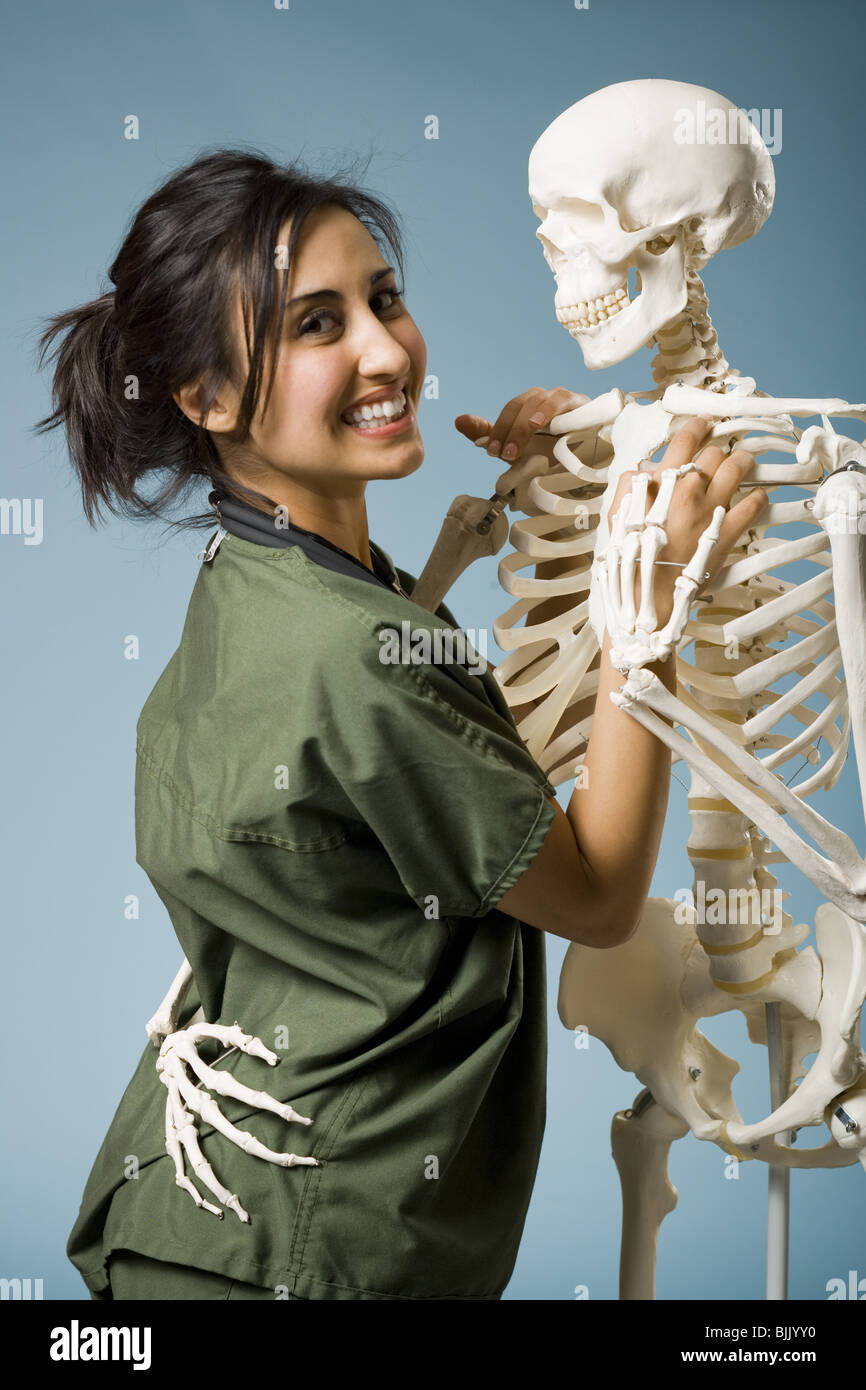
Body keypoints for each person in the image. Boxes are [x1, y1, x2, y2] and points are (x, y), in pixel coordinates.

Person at [35, 147, 767, 1301]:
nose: (387, 352)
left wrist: (558, 491)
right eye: (316, 325)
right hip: (305, 1251)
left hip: (189, 1231)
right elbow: (597, 893)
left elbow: (398, 753)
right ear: (207, 396)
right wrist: (644, 597)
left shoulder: (264, 580)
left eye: (383, 298)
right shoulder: (353, 652)